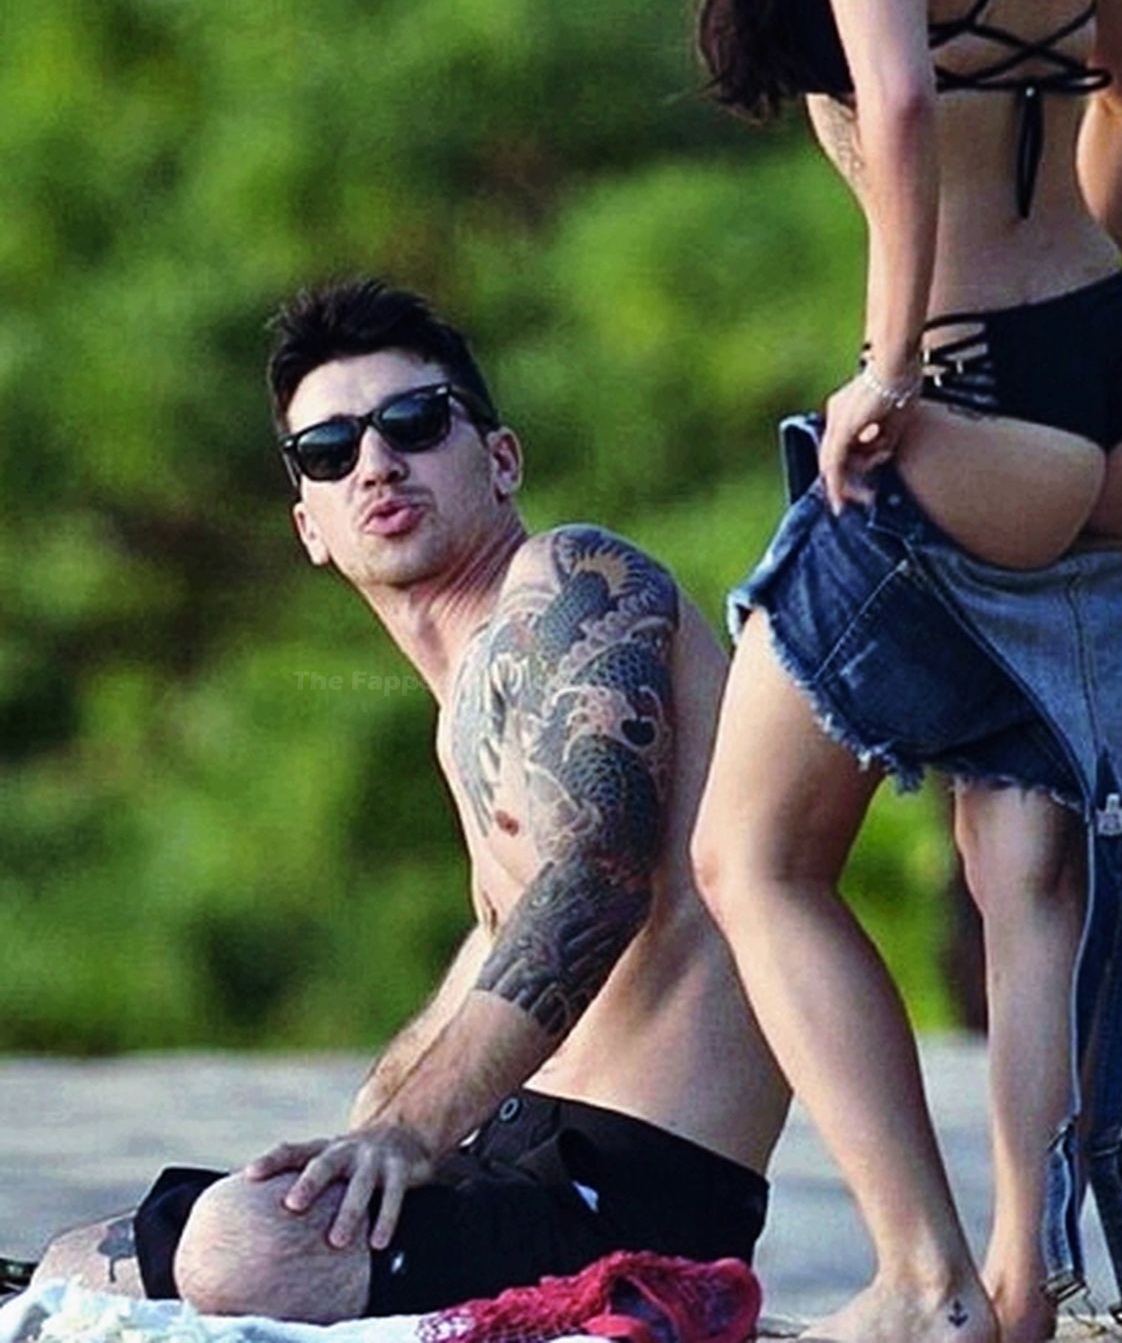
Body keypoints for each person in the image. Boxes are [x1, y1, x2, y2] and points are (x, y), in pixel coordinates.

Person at [686, 0, 1122, 1343]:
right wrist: (1079, 301)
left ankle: (913, 1281)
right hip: (1121, 388)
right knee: (1023, 856)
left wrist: (893, 371)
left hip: (967, 393)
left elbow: (897, 102)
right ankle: (1015, 1281)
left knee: (750, 850)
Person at [32, 278, 788, 1321]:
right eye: (329, 450)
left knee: (241, 1247)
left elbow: (598, 877)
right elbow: (500, 934)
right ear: (310, 524)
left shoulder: (574, 583)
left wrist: (410, 1133)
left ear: (502, 459)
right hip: (506, 1158)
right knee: (78, 1260)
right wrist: (365, 1133)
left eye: (415, 422)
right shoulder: (462, 700)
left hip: (632, 1189)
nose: (376, 463)